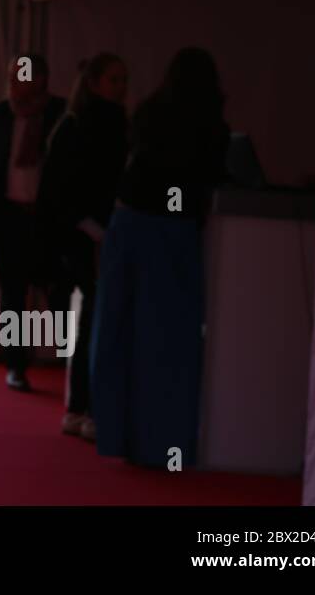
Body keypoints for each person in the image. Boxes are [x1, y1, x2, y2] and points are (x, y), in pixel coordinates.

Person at [91, 47, 230, 468]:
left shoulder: (149, 113)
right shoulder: (210, 127)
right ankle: (163, 442)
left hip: (129, 220)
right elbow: (209, 177)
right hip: (173, 231)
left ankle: (115, 434)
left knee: (116, 331)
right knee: (168, 341)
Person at [36, 53, 128, 440]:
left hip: (103, 233)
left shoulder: (116, 123)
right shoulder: (75, 127)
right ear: (93, 83)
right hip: (83, 236)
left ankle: (86, 405)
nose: (121, 87)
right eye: (114, 79)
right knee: (92, 319)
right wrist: (93, 228)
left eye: (123, 79)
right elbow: (60, 190)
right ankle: (82, 406)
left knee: (95, 319)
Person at [0, 54, 67, 390]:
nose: (13, 81)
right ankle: (16, 364)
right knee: (13, 296)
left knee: (57, 292)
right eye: (11, 75)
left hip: (48, 219)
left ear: (40, 79)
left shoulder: (60, 113)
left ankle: (68, 361)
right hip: (8, 216)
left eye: (21, 75)